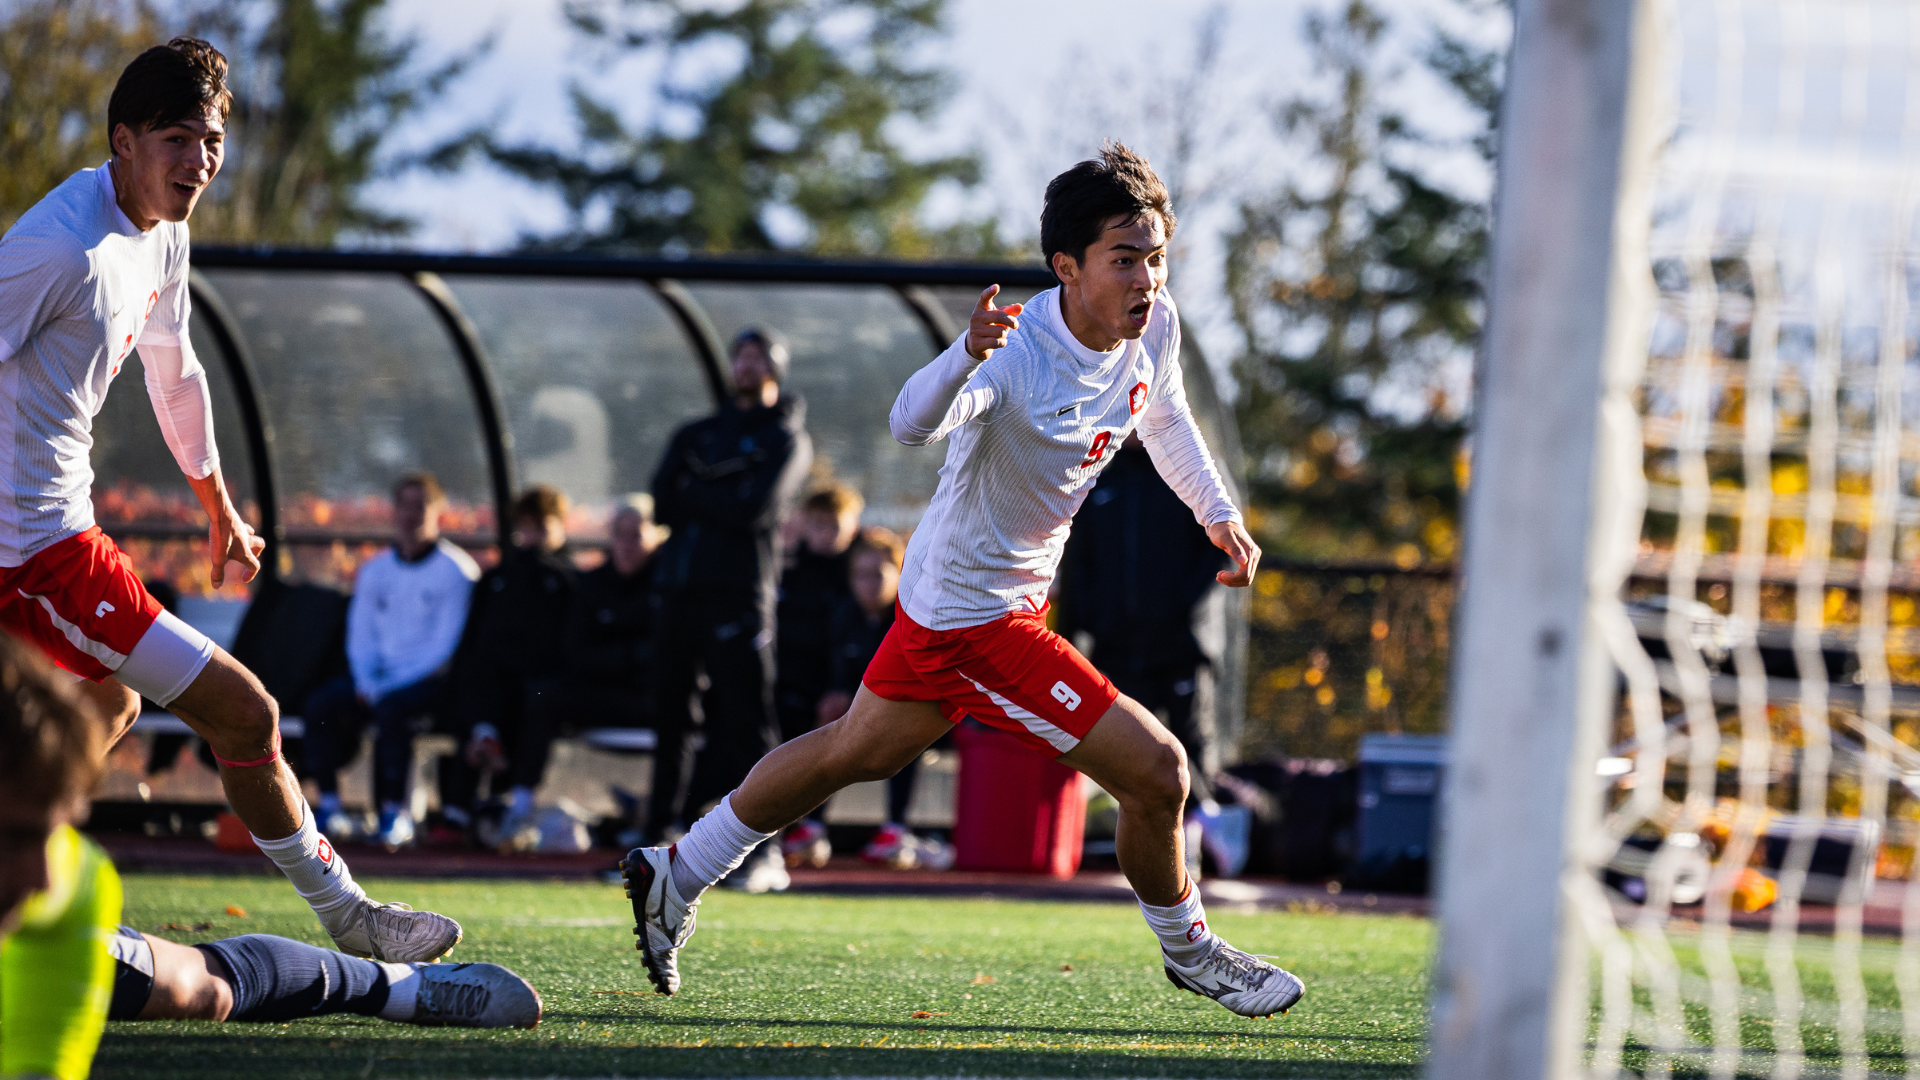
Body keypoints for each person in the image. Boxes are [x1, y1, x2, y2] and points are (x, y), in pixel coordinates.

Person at [620, 144, 1303, 1019]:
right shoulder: (1015, 350)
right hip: (971, 619)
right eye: (1125, 260)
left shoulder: (1153, 324)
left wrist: (1218, 512)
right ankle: (1192, 952)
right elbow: (910, 423)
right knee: (1160, 771)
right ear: (1067, 267)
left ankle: (676, 870)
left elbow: (1163, 412)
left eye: (1157, 257)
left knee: (852, 752)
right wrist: (961, 356)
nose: (1147, 278)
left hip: (980, 601)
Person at [0, 38, 458, 962]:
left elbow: (174, 371)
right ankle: (350, 919)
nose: (200, 161)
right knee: (244, 714)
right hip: (29, 555)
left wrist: (218, 506)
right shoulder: (56, 247)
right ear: (122, 141)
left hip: (63, 537)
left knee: (109, 716)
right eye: (177, 139)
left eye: (211, 140)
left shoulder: (164, 233)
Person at [0, 634, 539, 1080]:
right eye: (19, 837)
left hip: (54, 544)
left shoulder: (71, 885)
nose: (47, 877)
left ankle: (400, 984)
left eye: (53, 835)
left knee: (199, 988)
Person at [648, 328, 812, 887]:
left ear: (777, 367)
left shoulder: (785, 439)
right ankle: (653, 841)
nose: (746, 364)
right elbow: (662, 500)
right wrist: (719, 489)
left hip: (740, 594)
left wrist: (700, 488)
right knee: (672, 720)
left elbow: (755, 510)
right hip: (680, 591)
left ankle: (765, 849)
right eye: (740, 354)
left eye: (759, 355)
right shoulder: (698, 432)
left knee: (748, 720)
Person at [302, 473, 479, 850]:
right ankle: (330, 809)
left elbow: (443, 647)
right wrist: (368, 682)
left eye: (422, 507)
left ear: (438, 514)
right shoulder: (375, 570)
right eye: (405, 506)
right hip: (375, 681)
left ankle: (393, 815)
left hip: (429, 683)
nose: (412, 516)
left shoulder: (457, 571)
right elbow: (360, 636)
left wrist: (386, 689)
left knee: (393, 712)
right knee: (320, 704)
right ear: (393, 512)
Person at [447, 486, 576, 850]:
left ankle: (506, 807)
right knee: (473, 683)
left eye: (542, 527)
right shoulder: (497, 580)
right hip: (492, 681)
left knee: (533, 699)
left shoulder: (567, 581)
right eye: (527, 527)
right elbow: (473, 642)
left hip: (539, 683)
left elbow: (566, 648)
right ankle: (461, 803)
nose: (532, 538)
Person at [822, 528, 953, 871]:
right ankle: (812, 824)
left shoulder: (914, 616)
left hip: (920, 712)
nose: (868, 585)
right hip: (860, 716)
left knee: (901, 729)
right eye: (860, 576)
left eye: (878, 575)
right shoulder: (842, 618)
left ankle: (896, 828)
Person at [553, 495, 663, 835]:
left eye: (637, 534)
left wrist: (618, 658)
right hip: (603, 696)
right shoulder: (591, 585)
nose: (627, 544)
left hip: (654, 702)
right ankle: (523, 807)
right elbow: (575, 654)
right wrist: (630, 657)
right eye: (620, 534)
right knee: (545, 699)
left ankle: (663, 816)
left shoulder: (669, 585)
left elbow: (664, 656)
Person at [774, 485, 863, 746]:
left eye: (834, 525)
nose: (825, 534)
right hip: (786, 684)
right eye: (818, 525)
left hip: (837, 688)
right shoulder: (785, 570)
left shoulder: (859, 573)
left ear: (852, 527)